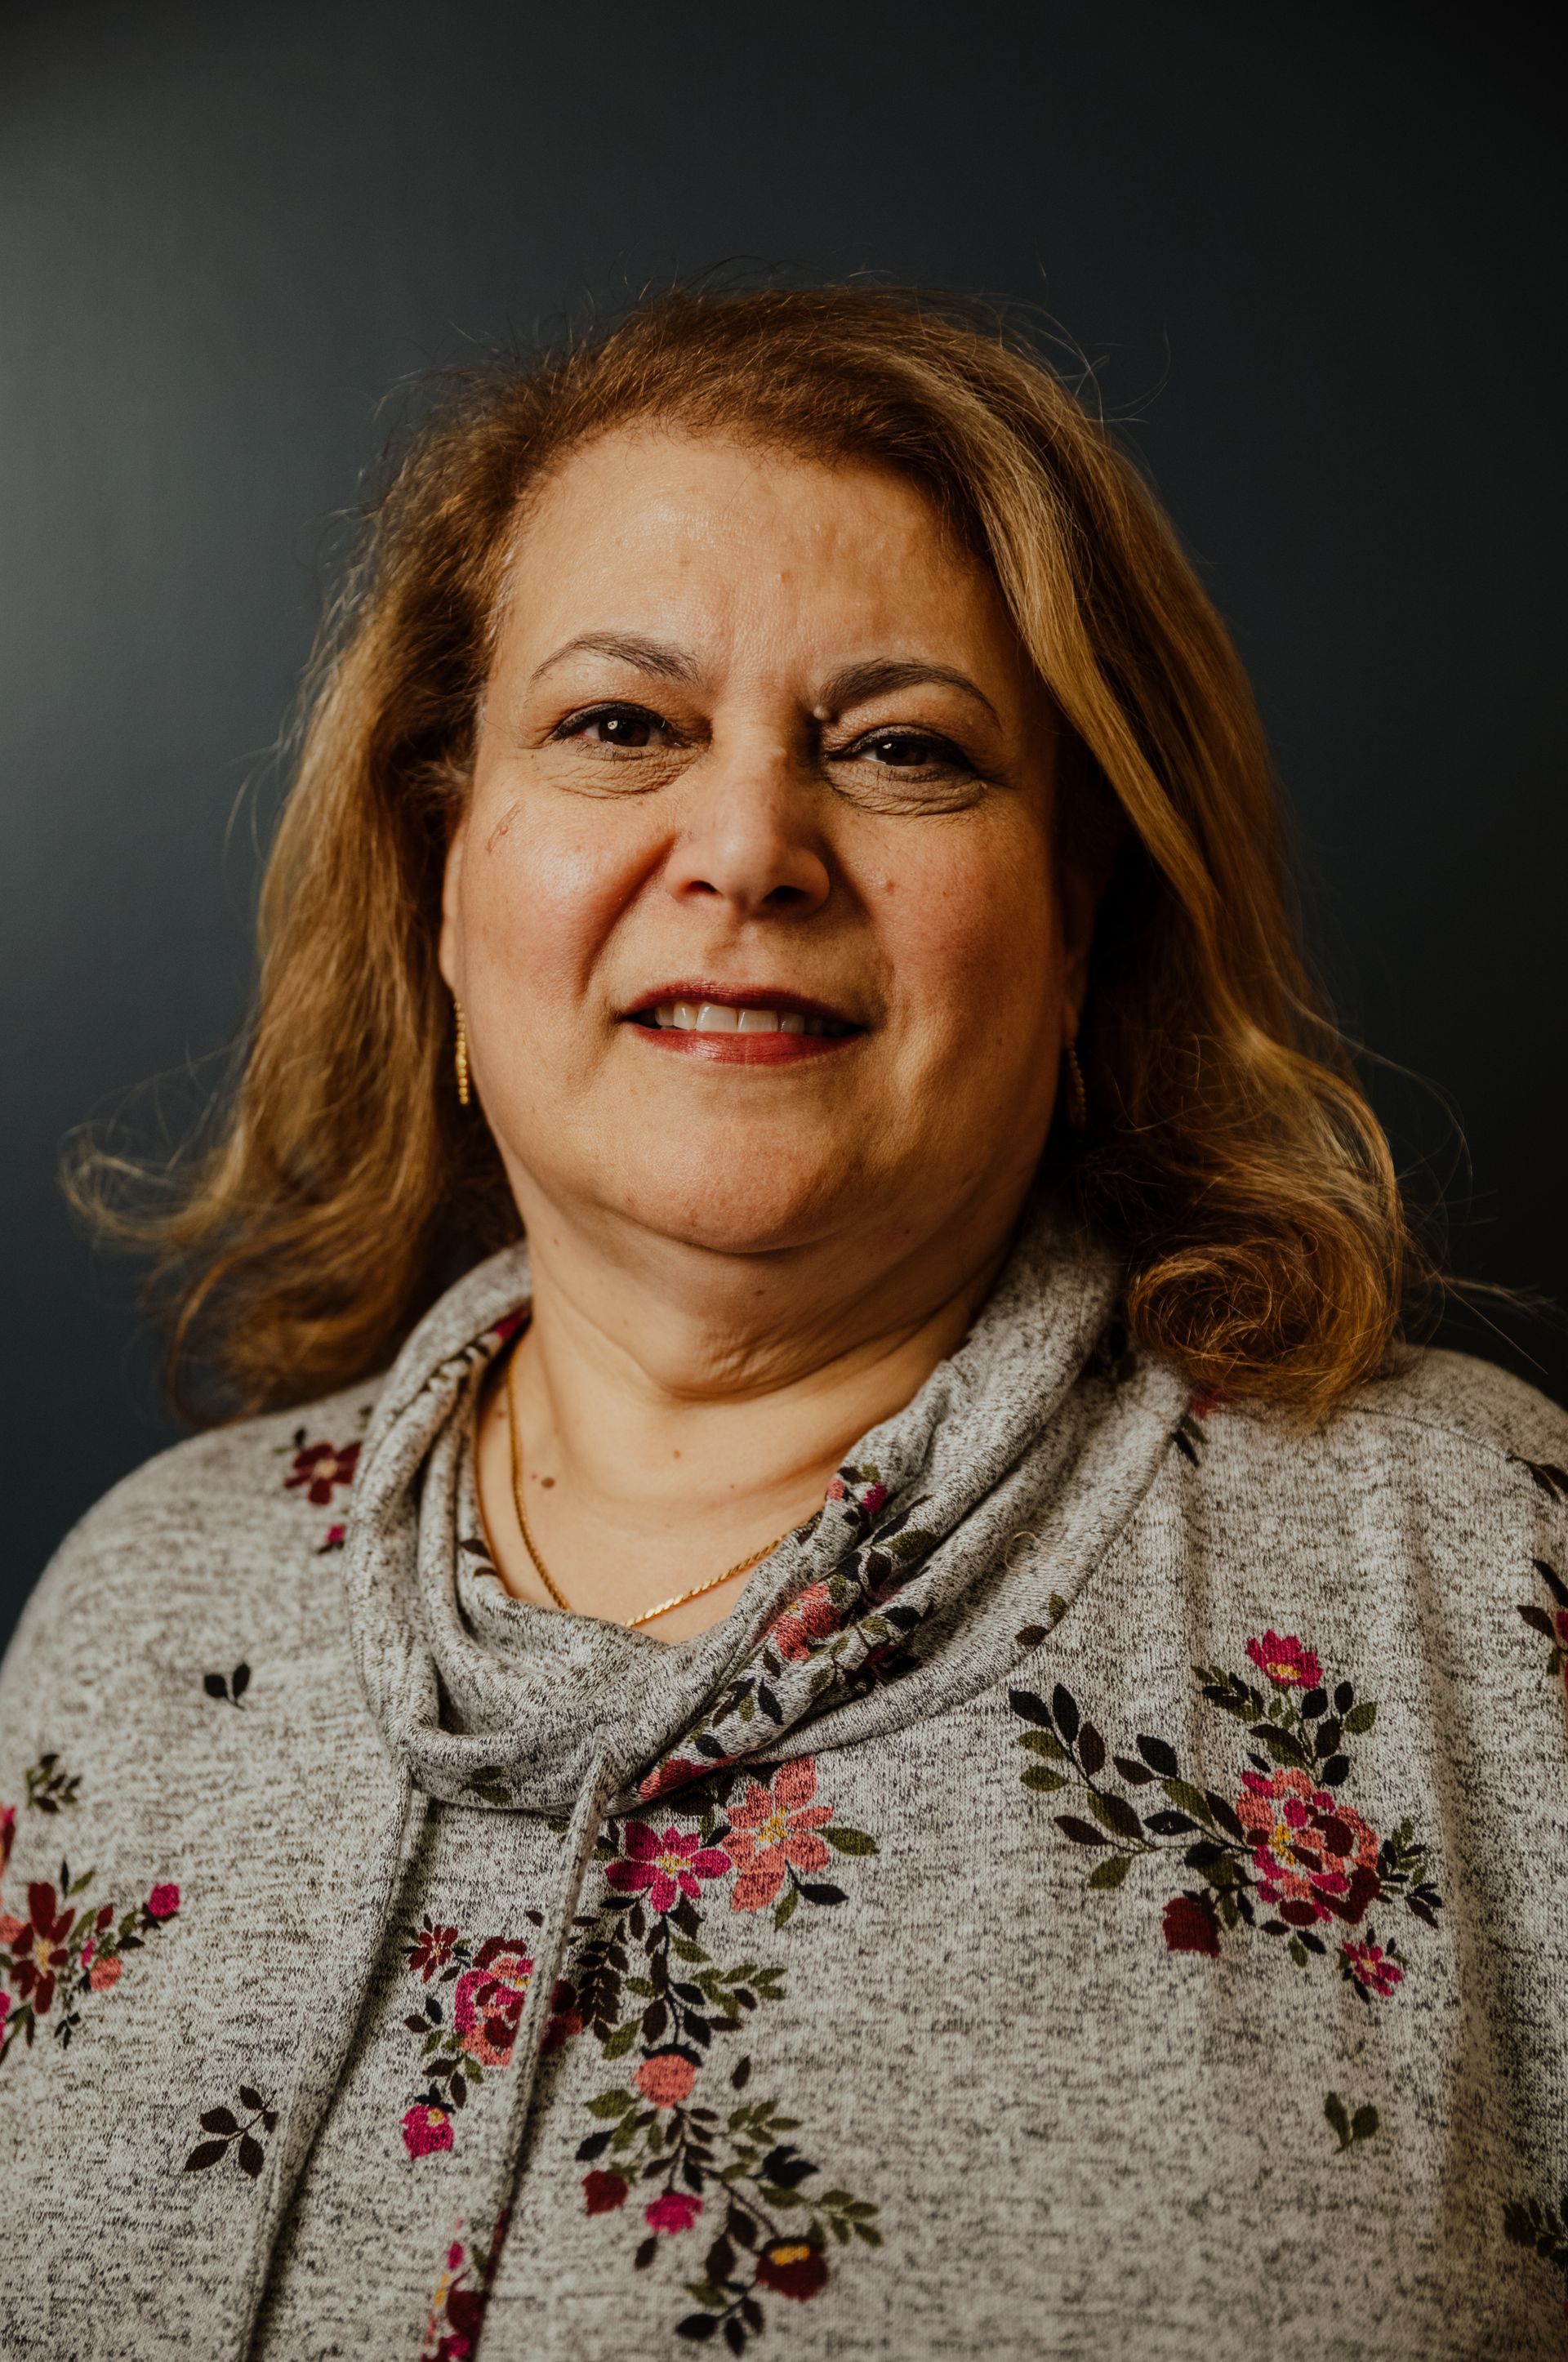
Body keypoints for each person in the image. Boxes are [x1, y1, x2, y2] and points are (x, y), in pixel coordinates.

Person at [0, 286, 1562, 2362]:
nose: (747, 847)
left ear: (1079, 918)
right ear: (441, 876)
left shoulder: (1479, 1567)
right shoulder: (125, 1621)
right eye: (619, 727)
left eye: (904, 749)